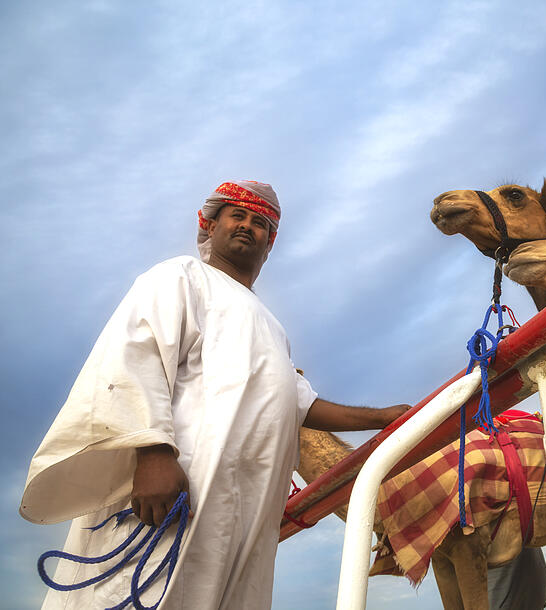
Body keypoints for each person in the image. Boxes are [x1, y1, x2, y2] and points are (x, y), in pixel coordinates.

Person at [20, 180, 408, 609]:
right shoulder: (180, 277)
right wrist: (152, 453)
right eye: (236, 216)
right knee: (141, 593)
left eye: (260, 222)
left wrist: (388, 417)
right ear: (210, 225)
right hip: (175, 489)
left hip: (243, 513)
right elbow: (135, 357)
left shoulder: (271, 327)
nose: (247, 225)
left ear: (269, 242)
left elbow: (302, 405)